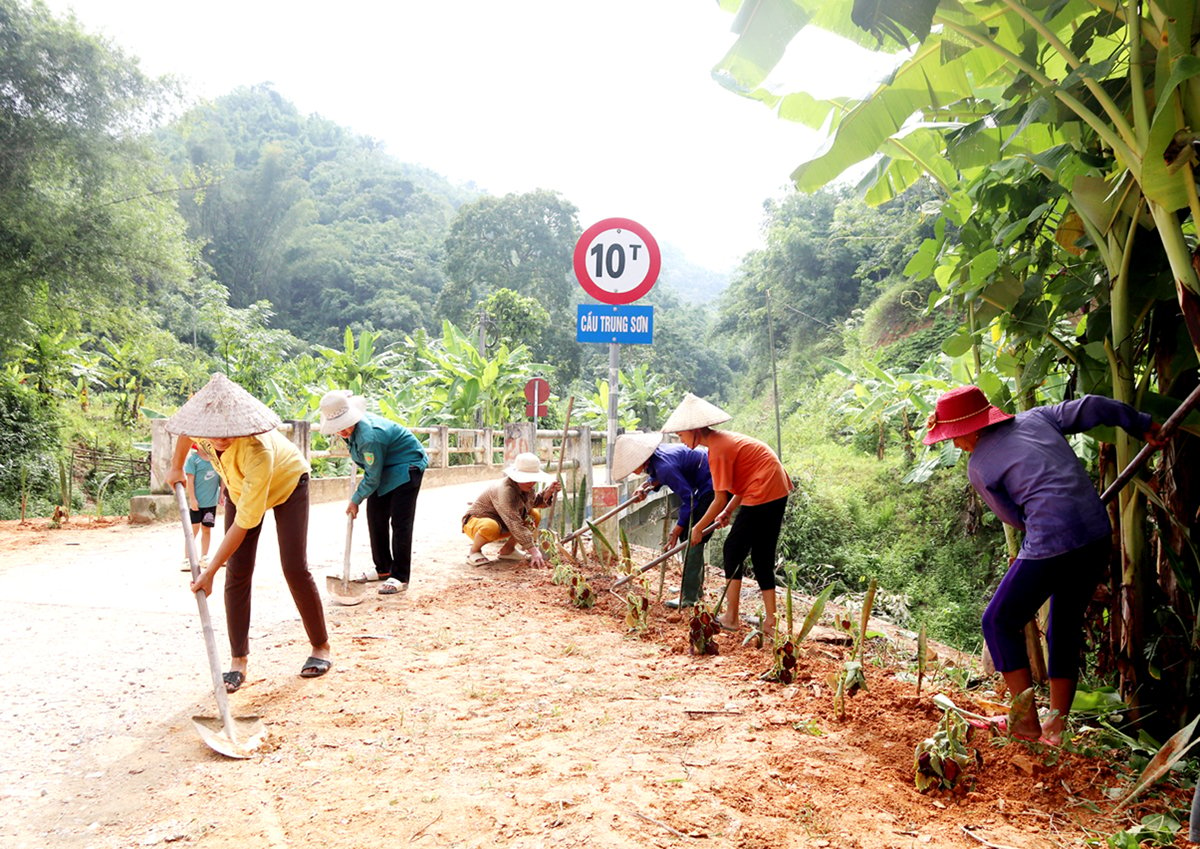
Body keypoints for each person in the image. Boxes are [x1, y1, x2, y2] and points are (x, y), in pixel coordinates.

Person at [923, 385, 1164, 745]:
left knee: (999, 621)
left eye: (954, 436)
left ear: (970, 429)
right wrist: (1142, 424)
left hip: (1053, 540)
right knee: (1064, 624)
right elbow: (1093, 405)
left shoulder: (979, 466)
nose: (955, 444)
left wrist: (1047, 523)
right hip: (1097, 533)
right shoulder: (1038, 417)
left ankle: (1025, 724)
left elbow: (1014, 518)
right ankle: (1055, 725)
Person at [165, 373, 331, 693]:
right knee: (238, 572)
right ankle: (238, 661)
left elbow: (244, 522)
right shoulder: (206, 430)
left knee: (294, 566)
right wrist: (175, 466)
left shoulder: (258, 450)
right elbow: (187, 432)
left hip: (288, 485)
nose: (222, 438)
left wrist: (210, 570)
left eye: (230, 433)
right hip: (242, 490)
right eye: (215, 433)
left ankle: (320, 646)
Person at [662, 393, 793, 638]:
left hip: (764, 490)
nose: (680, 439)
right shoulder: (721, 443)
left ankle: (731, 617)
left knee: (733, 549)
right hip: (774, 488)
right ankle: (771, 624)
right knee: (762, 556)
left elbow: (719, 497)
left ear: (694, 430)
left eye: (681, 434)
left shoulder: (718, 450)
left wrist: (698, 527)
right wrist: (728, 512)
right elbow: (739, 487)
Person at [318, 390, 429, 595]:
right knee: (376, 517)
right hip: (385, 467)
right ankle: (383, 569)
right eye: (337, 428)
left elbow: (372, 477)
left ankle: (400, 576)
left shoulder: (369, 436)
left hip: (407, 466)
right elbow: (371, 468)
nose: (342, 432)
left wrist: (355, 500)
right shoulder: (352, 431)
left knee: (400, 522)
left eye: (344, 426)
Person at [612, 431, 715, 608]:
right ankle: (693, 588)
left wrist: (678, 528)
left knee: (692, 538)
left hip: (711, 484)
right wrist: (647, 486)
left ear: (639, 460)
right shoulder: (658, 457)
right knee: (690, 537)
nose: (632, 471)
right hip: (705, 479)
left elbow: (689, 498)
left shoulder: (663, 467)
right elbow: (658, 476)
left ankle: (689, 597)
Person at [462, 452, 561, 567]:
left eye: (534, 479)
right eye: (528, 478)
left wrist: (548, 492)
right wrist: (533, 550)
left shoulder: (527, 487)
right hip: (477, 522)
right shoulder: (505, 491)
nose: (532, 482)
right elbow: (514, 522)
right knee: (491, 526)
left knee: (534, 515)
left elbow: (533, 503)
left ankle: (508, 550)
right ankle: (474, 551)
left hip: (503, 524)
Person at [181, 443, 222, 571]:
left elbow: (223, 480)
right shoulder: (193, 460)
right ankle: (188, 558)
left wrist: (222, 495)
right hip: (197, 503)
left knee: (206, 529)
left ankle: (204, 557)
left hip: (210, 503)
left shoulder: (216, 460)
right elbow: (190, 481)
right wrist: (192, 499)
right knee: (193, 530)